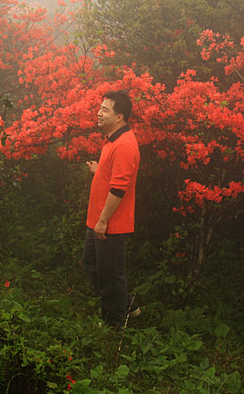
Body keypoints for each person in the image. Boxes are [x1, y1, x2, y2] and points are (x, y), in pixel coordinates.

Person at [82, 90, 141, 327]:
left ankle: (114, 325)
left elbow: (119, 189)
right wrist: (99, 171)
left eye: (105, 110)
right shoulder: (113, 140)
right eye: (100, 108)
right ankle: (126, 303)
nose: (99, 113)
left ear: (120, 116)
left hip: (110, 224)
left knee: (109, 275)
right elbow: (113, 177)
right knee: (90, 265)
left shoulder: (125, 145)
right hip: (97, 220)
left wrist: (104, 221)